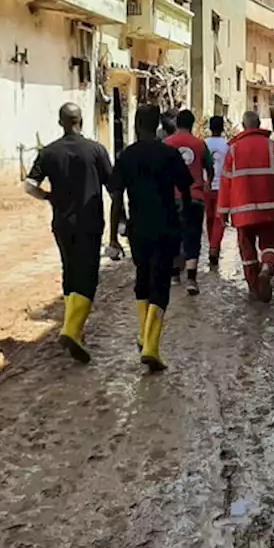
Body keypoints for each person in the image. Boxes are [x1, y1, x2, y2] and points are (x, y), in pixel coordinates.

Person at [109, 104, 194, 372]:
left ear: (136, 124)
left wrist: (113, 236)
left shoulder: (126, 156)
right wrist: (185, 227)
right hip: (166, 228)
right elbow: (186, 192)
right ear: (157, 124)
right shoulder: (169, 154)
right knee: (161, 285)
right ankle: (151, 347)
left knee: (142, 280)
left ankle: (143, 336)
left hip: (138, 230)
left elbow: (115, 199)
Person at [25, 102, 112, 364]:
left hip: (62, 223)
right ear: (81, 121)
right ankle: (72, 330)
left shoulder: (49, 152)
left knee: (69, 270)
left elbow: (29, 186)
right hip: (90, 222)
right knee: (88, 276)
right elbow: (113, 185)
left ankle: (73, 327)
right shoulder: (96, 150)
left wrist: (48, 197)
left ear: (61, 122)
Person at [217, 110, 274, 303]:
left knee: (247, 248)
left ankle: (254, 288)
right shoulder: (272, 147)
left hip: (242, 212)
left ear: (244, 127)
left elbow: (226, 183)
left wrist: (222, 211)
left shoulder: (234, 150)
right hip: (268, 209)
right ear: (259, 124)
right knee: (270, 244)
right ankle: (266, 270)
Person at [163, 108, 212, 294]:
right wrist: (206, 183)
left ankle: (174, 275)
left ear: (176, 123)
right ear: (192, 124)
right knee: (193, 236)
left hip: (172, 198)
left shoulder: (167, 143)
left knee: (173, 235)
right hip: (195, 198)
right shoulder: (200, 144)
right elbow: (210, 167)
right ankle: (191, 279)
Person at [203, 115, 230, 268]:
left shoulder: (203, 144)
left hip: (206, 187)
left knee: (209, 219)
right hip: (222, 187)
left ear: (210, 128)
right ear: (223, 128)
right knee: (220, 219)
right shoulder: (227, 146)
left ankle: (212, 247)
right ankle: (214, 247)